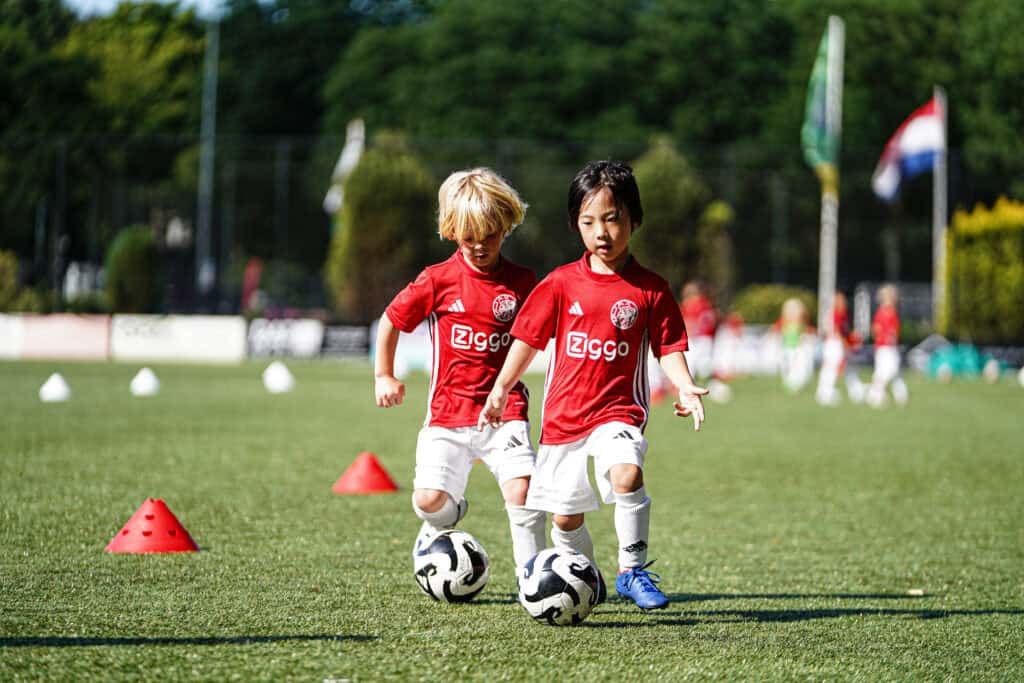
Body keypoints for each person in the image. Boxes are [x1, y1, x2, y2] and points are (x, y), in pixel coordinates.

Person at [477, 160, 707, 611]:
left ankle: (632, 570)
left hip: (618, 414)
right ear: (575, 225)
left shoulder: (651, 290)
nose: (601, 231)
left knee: (628, 471)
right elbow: (527, 340)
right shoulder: (560, 283)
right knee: (565, 517)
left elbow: (669, 346)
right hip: (563, 420)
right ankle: (585, 579)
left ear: (633, 220)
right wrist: (503, 386)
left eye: (612, 218)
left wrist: (683, 385)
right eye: (588, 221)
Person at [374, 167, 546, 578]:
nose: (480, 246)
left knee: (522, 491)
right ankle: (443, 522)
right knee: (428, 501)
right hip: (448, 414)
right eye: (469, 238)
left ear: (506, 227)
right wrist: (384, 374)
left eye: (490, 235)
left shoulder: (523, 283)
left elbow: (542, 335)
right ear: (451, 231)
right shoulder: (438, 280)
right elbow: (391, 320)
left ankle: (534, 576)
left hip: (505, 411)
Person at [815, 291, 866, 405]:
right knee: (833, 369)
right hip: (834, 345)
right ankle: (825, 393)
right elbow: (836, 332)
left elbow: (844, 332)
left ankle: (856, 391)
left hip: (837, 345)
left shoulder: (843, 315)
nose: (844, 303)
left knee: (847, 368)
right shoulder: (836, 314)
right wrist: (845, 345)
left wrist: (852, 339)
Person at [866, 284, 909, 407]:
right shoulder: (882, 313)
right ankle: (874, 393)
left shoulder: (892, 312)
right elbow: (876, 329)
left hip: (890, 346)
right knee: (888, 371)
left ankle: (901, 396)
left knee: (893, 372)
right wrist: (885, 336)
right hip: (884, 347)